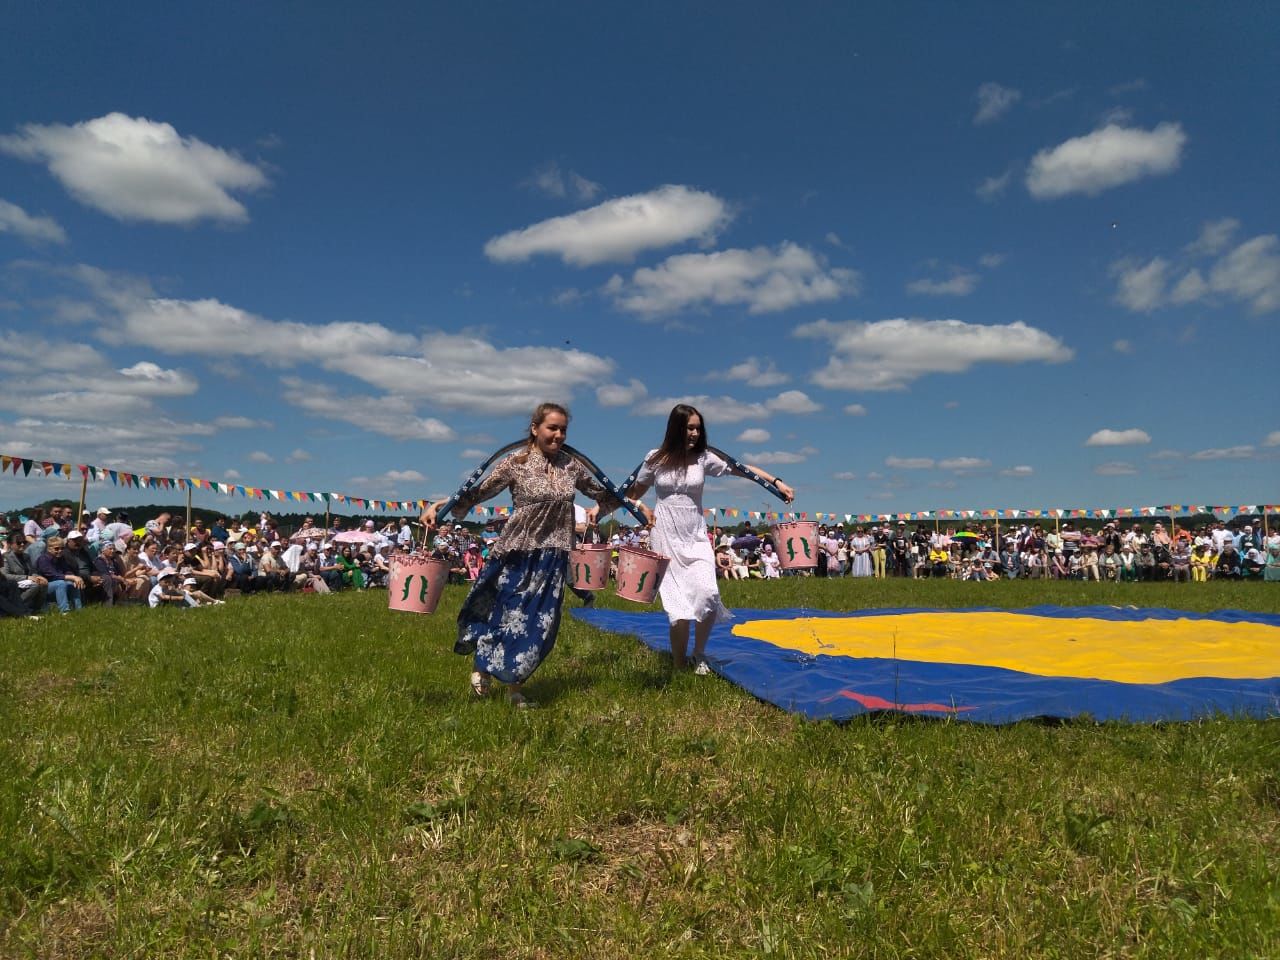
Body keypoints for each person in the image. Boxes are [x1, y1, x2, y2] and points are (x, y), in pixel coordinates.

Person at [420, 402, 626, 708]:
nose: (558, 435)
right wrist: (440, 504)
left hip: (554, 552)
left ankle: (515, 688)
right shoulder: (515, 461)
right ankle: (483, 666)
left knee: (538, 622)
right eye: (552, 428)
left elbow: (602, 493)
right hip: (518, 549)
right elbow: (479, 492)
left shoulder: (571, 465)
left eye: (563, 429)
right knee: (504, 611)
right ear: (535, 428)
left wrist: (633, 501)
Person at [625, 403, 795, 674]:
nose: (694, 433)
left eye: (697, 428)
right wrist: (642, 509)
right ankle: (680, 665)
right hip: (665, 537)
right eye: (688, 427)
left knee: (707, 593)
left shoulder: (704, 458)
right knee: (678, 609)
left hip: (695, 537)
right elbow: (632, 494)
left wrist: (776, 482)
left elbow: (741, 469)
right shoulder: (655, 458)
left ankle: (699, 653)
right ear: (675, 428)